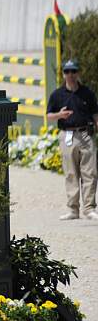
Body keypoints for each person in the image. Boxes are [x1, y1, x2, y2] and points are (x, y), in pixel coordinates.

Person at [46, 60, 98, 221]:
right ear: (63, 74)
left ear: (78, 73)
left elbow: (96, 114)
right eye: (67, 71)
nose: (71, 75)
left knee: (90, 173)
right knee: (71, 174)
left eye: (73, 71)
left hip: (85, 135)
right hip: (67, 135)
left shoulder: (87, 93)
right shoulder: (57, 94)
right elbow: (48, 116)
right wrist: (59, 115)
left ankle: (89, 208)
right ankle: (73, 209)